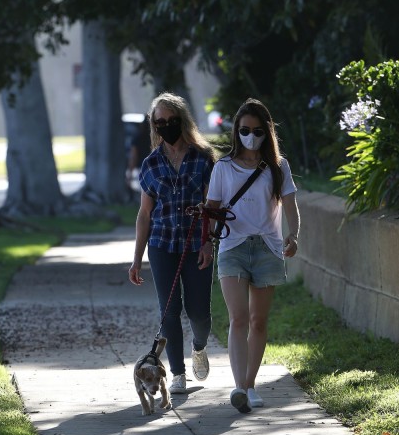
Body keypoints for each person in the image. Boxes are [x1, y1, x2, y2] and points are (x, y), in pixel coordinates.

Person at [206, 98, 300, 413]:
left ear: (267, 131)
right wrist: (206, 242)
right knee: (238, 318)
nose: (251, 136)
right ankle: (238, 388)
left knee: (259, 321)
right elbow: (213, 209)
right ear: (236, 131)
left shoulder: (278, 167)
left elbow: (290, 205)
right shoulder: (223, 167)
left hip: (267, 248)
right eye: (245, 130)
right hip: (232, 246)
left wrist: (293, 234)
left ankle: (249, 384)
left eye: (258, 130)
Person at [128, 92, 217, 393]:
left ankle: (200, 346)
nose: (166, 126)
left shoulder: (203, 159)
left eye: (172, 120)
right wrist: (137, 258)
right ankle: (177, 373)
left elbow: (213, 206)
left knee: (199, 312)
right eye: (160, 122)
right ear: (154, 126)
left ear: (183, 120)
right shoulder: (151, 164)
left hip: (196, 245)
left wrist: (208, 243)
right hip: (162, 245)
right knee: (168, 310)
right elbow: (144, 214)